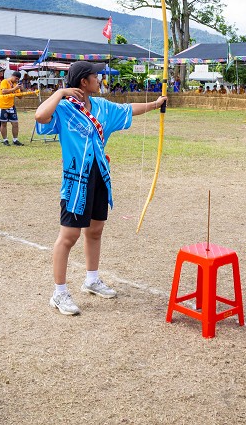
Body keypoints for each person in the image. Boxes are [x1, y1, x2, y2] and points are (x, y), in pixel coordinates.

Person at [36, 61, 166, 316]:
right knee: (69, 236)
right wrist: (61, 92)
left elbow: (128, 109)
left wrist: (154, 105)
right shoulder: (63, 107)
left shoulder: (102, 107)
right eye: (96, 76)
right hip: (76, 179)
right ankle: (59, 293)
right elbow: (40, 116)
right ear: (84, 81)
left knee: (95, 230)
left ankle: (91, 279)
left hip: (99, 176)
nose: (100, 80)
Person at [0, 69, 24, 146]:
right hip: (2, 105)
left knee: (15, 123)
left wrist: (21, 90)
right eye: (16, 78)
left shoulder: (16, 84)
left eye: (18, 79)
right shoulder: (4, 81)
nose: (17, 80)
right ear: (12, 76)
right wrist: (14, 89)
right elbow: (3, 91)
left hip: (11, 106)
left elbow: (20, 97)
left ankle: (15, 140)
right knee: (3, 123)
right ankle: (5, 140)